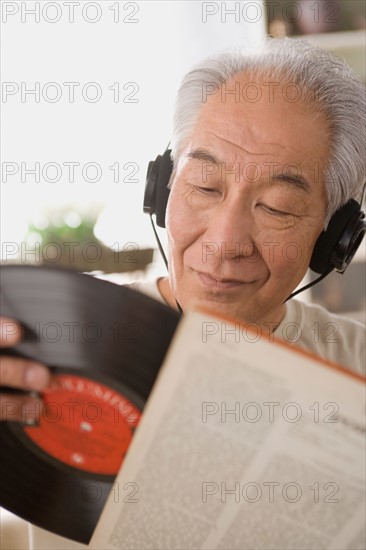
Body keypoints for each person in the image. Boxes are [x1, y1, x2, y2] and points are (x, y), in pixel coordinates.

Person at [0, 36, 365, 548]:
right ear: (162, 190)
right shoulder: (59, 333)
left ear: (333, 241)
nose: (224, 242)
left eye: (278, 207)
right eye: (205, 187)